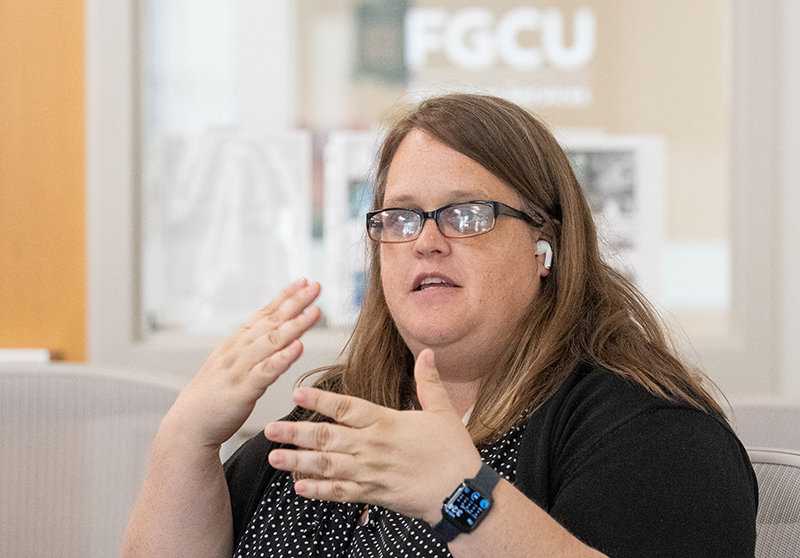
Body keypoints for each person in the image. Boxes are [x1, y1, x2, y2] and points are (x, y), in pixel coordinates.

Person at [122, 94, 757, 558]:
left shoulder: (651, 433)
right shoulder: (329, 426)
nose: (425, 240)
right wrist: (185, 441)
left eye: (467, 214)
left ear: (547, 244)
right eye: (400, 219)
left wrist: (462, 497)